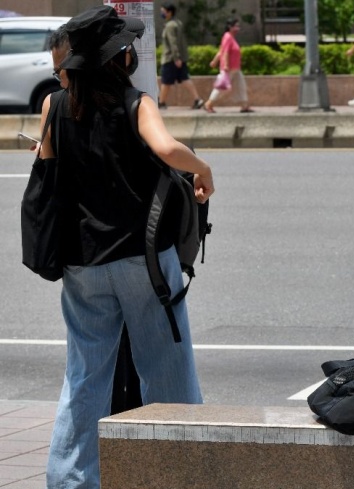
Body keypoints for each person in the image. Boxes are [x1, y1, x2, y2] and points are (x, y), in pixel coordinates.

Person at [37, 6, 213, 487]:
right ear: (121, 57)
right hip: (145, 261)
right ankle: (179, 473)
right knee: (166, 368)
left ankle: (71, 479)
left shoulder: (54, 105)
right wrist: (203, 170)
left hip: (82, 262)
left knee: (85, 376)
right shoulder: (137, 103)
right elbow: (166, 149)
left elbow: (46, 172)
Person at [158, 2, 204, 110]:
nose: (162, 13)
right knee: (185, 78)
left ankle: (161, 102)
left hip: (170, 58)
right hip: (179, 58)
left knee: (166, 80)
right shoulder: (178, 23)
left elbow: (173, 43)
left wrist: (176, 57)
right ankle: (197, 99)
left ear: (169, 12)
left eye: (163, 11)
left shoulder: (170, 26)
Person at [203, 18, 252, 113]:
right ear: (230, 27)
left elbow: (220, 51)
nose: (238, 28)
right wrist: (225, 65)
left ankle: (244, 105)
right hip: (229, 68)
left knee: (241, 86)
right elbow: (225, 52)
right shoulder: (227, 37)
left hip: (236, 68)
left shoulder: (231, 37)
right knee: (221, 87)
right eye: (236, 26)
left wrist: (214, 61)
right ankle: (208, 104)